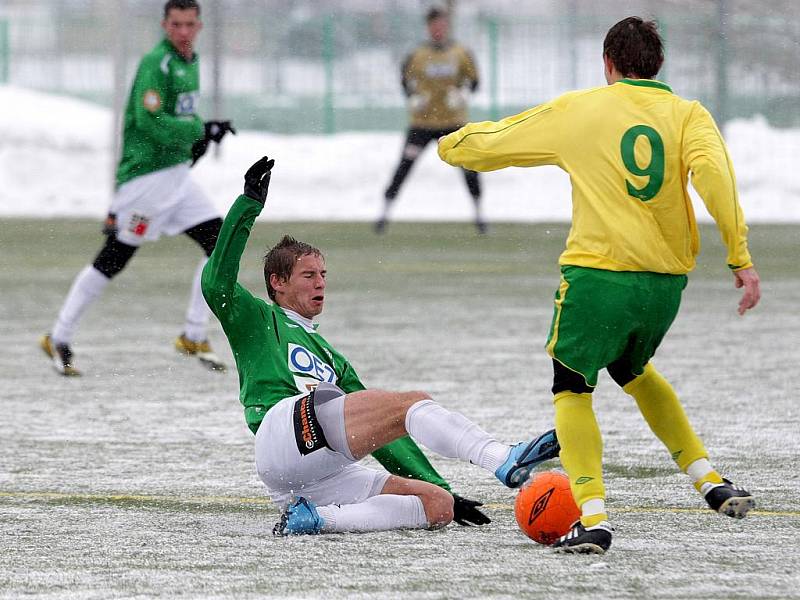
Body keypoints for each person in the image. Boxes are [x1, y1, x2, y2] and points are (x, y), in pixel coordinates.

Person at [438, 16, 761, 554]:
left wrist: (451, 144)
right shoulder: (688, 115)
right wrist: (739, 257)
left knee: (572, 387)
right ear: (658, 66)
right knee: (632, 370)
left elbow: (498, 141)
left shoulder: (581, 109)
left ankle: (593, 518)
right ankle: (710, 480)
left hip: (598, 276)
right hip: (663, 287)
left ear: (608, 65)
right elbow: (715, 180)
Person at [202, 156, 560, 535]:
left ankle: (315, 519)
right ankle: (501, 457)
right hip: (280, 435)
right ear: (277, 282)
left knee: (435, 505)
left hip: (316, 471)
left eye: (323, 274)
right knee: (409, 401)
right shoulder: (257, 320)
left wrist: (443, 488)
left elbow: (388, 433)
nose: (320, 283)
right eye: (308, 275)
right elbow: (216, 284)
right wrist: (248, 206)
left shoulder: (331, 358)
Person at [40, 0, 235, 376]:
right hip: (146, 182)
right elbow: (150, 121)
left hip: (175, 178)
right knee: (116, 257)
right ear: (164, 25)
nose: (182, 31)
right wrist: (198, 130)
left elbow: (180, 115)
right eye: (175, 24)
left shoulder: (189, 62)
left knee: (220, 243)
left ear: (199, 26)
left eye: (189, 24)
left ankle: (194, 333)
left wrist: (202, 131)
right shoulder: (155, 63)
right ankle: (58, 335)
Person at [376, 7, 484, 234]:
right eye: (434, 25)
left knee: (468, 166)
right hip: (422, 124)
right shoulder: (417, 55)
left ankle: (479, 214)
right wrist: (414, 97)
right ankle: (384, 213)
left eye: (442, 25)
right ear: (428, 27)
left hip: (453, 123)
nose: (438, 29)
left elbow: (474, 82)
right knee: (405, 166)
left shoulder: (461, 52)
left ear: (447, 26)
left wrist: (462, 93)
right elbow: (405, 82)